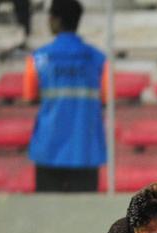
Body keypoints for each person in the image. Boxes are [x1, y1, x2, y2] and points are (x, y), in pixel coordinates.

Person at [23, 0, 106, 193]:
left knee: (47, 214)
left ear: (55, 20)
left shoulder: (37, 59)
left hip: (48, 149)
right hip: (85, 149)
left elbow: (30, 95)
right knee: (85, 213)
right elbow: (106, 97)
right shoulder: (99, 59)